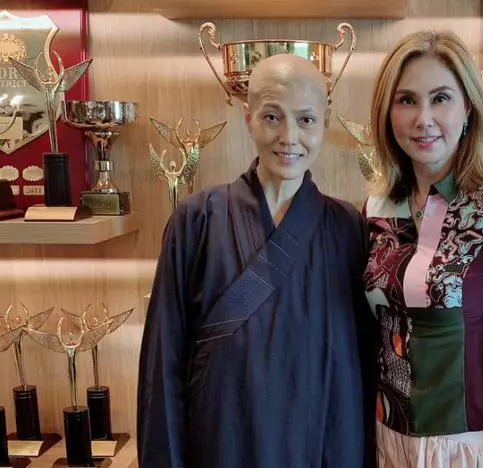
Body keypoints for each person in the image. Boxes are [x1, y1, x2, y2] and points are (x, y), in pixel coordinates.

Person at [137, 53, 376, 468]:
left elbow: (362, 364)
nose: (289, 137)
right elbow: (163, 364)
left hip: (320, 446)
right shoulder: (197, 220)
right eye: (271, 117)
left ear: (325, 121)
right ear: (247, 117)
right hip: (223, 446)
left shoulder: (347, 228)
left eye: (305, 119)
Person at [362, 30, 483, 467]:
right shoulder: (374, 208)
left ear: (467, 108)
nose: (423, 119)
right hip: (385, 438)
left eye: (440, 98)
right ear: (387, 113)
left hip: (469, 445)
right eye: (406, 100)